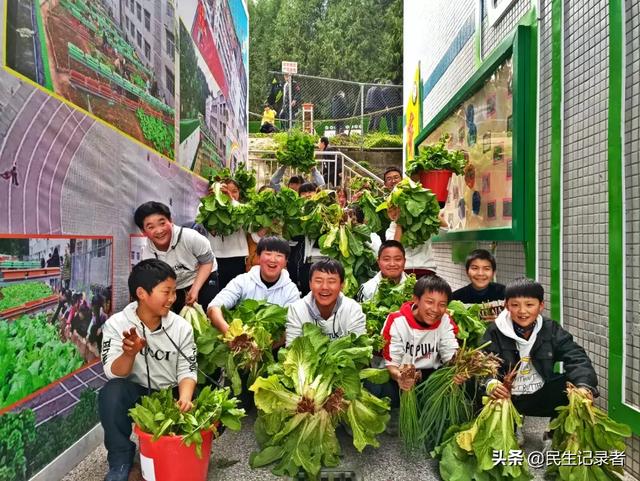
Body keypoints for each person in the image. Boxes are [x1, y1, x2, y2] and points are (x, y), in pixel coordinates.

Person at [99, 259, 197, 481]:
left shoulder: (181, 327)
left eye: (174, 291)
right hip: (139, 393)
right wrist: (129, 354)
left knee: (198, 399)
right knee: (111, 392)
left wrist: (184, 398)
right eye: (166, 292)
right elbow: (113, 373)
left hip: (171, 393)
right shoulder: (117, 324)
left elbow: (187, 368)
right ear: (142, 293)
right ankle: (121, 459)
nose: (173, 298)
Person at [482, 278, 598, 418]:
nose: (522, 311)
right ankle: (512, 420)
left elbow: (576, 356)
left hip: (539, 394)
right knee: (480, 390)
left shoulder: (550, 329)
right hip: (506, 396)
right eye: (515, 305)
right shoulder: (495, 331)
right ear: (507, 306)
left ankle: (552, 432)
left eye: (529, 304)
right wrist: (491, 383)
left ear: (541, 306)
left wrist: (584, 386)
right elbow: (484, 362)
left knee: (575, 387)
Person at [381, 275, 459, 405]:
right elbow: (392, 363)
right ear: (416, 299)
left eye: (442, 304)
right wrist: (400, 377)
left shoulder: (445, 321)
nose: (435, 310)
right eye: (429, 302)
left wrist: (458, 371)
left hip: (432, 377)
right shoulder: (397, 321)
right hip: (401, 375)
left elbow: (450, 356)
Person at [135, 201, 216, 313]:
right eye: (151, 227)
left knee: (208, 311)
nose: (159, 231)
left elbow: (207, 262)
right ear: (143, 232)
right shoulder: (147, 255)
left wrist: (195, 289)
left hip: (204, 275)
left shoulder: (191, 237)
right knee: (181, 317)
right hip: (176, 285)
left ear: (171, 221)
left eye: (162, 223)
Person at [207, 237, 300, 334]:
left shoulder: (291, 290)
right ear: (258, 257)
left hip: (273, 345)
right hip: (237, 342)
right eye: (268, 254)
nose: (273, 259)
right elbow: (213, 307)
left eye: (279, 255)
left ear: (286, 262)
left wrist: (261, 345)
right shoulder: (242, 281)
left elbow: (293, 326)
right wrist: (231, 334)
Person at [286, 259, 366, 345]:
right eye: (318, 281)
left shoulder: (353, 309)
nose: (324, 287)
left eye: (331, 282)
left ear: (342, 285)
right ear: (310, 284)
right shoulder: (296, 310)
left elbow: (359, 349)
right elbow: (292, 349)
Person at [206, 179, 248, 291]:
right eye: (225, 191)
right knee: (217, 291)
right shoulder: (208, 204)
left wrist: (230, 199)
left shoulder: (242, 208)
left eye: (235, 191)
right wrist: (214, 199)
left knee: (237, 291)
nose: (231, 194)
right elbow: (202, 220)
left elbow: (245, 222)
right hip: (215, 256)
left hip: (237, 257)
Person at [451, 248, 505, 320]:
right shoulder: (456, 298)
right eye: (475, 268)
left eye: (486, 269)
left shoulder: (505, 293)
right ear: (467, 271)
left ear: (493, 273)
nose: (480, 273)